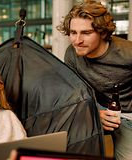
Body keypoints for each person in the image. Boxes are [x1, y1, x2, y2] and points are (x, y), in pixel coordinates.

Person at [57, 1, 132, 159]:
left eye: (86, 33)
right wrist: (95, 112)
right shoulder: (71, 53)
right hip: (95, 112)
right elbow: (75, 94)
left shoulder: (128, 52)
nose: (77, 40)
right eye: (73, 32)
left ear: (103, 33)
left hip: (128, 115)